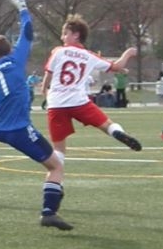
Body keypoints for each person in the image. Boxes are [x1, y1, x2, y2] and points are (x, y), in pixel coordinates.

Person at [0, 0, 73, 230]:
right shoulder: (16, 60)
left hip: (0, 129)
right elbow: (27, 32)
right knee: (56, 166)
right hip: (18, 129)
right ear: (9, 50)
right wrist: (23, 8)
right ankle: (49, 212)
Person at [42, 14, 142, 156]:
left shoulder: (58, 51)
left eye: (65, 33)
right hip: (79, 102)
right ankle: (117, 132)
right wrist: (127, 54)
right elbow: (116, 66)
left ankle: (57, 167)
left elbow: (48, 74)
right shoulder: (89, 56)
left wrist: (45, 90)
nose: (62, 37)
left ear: (76, 35)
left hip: (56, 103)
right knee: (107, 125)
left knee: (58, 149)